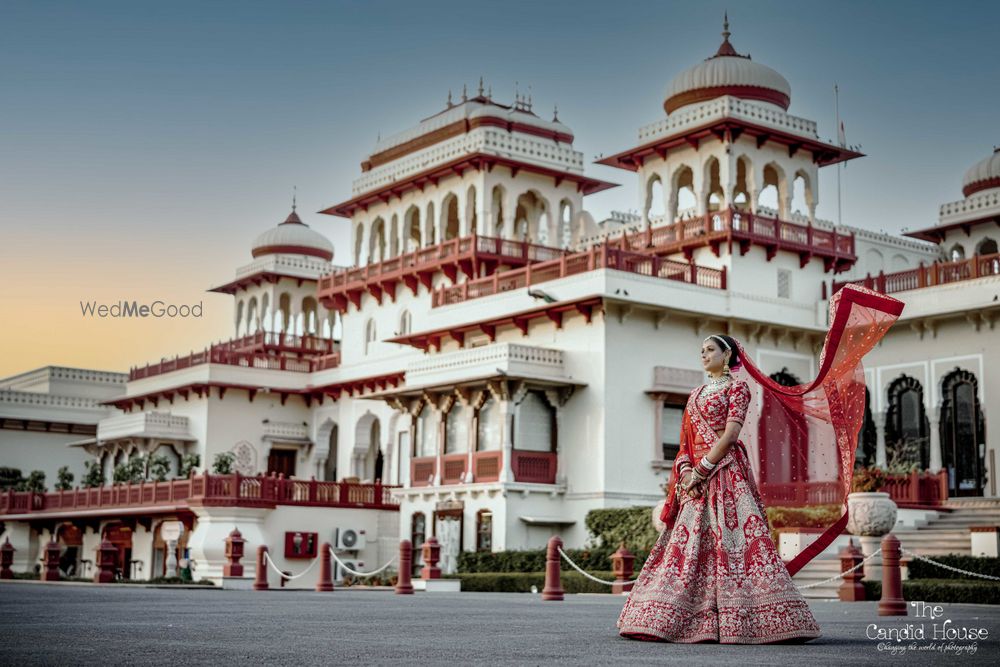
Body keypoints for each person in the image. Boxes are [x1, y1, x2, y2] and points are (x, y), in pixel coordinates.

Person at [617, 284, 904, 643]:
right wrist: (687, 471)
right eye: (701, 350)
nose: (703, 355)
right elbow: (685, 443)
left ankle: (754, 619)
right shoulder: (694, 394)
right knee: (688, 552)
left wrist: (703, 469)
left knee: (739, 546)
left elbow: (731, 434)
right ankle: (675, 617)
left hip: (725, 476)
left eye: (710, 350)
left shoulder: (738, 388)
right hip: (696, 482)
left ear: (728, 354)